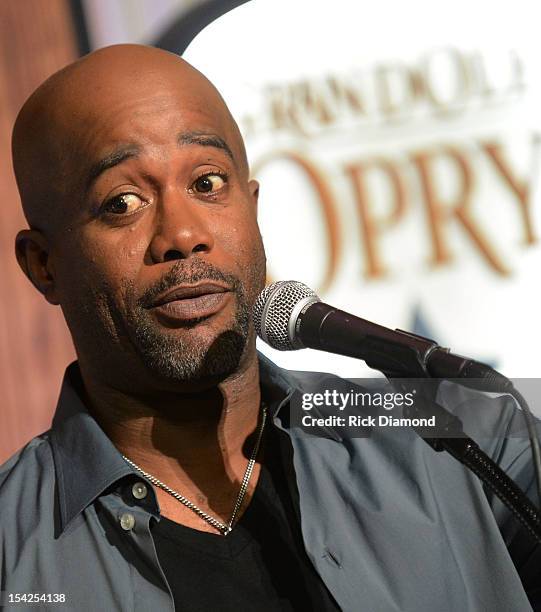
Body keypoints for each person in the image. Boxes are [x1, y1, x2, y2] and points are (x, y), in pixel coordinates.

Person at [0, 44, 538, 612]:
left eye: (207, 183)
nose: (182, 234)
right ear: (44, 265)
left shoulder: (458, 440)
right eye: (123, 202)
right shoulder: (15, 560)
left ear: (252, 208)